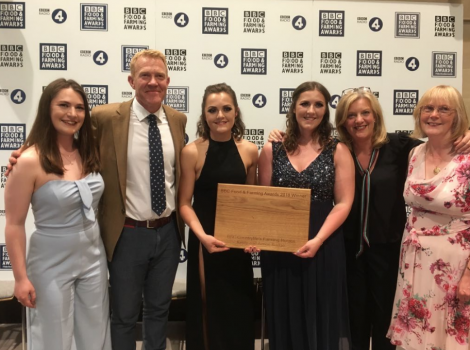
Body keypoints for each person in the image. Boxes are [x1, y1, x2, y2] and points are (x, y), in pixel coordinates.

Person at [4, 78, 111, 350]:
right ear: (47, 108)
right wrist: (20, 278)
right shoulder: (28, 161)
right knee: (53, 336)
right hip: (50, 260)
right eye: (63, 105)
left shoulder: (89, 151)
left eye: (79, 107)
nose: (72, 114)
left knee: (95, 332)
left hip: (93, 258)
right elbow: (14, 224)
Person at [91, 49, 186, 350]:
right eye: (145, 75)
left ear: (168, 81)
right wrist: (26, 153)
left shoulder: (177, 119)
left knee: (159, 312)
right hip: (127, 235)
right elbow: (65, 141)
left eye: (159, 76)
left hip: (168, 233)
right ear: (132, 81)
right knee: (124, 316)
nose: (153, 82)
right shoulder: (105, 117)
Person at [258, 81, 355, 350]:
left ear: (326, 110)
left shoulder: (339, 149)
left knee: (321, 313)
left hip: (323, 244)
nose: (311, 110)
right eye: (304, 103)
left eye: (318, 104)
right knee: (284, 313)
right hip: (280, 247)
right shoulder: (271, 150)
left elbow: (344, 203)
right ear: (293, 108)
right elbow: (263, 203)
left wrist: (318, 240)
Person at [387, 85, 470, 350]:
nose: (433, 115)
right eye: (428, 108)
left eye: (444, 109)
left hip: (455, 268)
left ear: (457, 116)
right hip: (415, 261)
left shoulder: (467, 159)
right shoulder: (415, 153)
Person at [179, 83, 258, 350]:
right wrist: (202, 237)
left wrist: (252, 236)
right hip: (206, 242)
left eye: (226, 108)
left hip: (238, 244)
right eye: (212, 110)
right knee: (207, 309)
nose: (220, 115)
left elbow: (252, 201)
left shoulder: (250, 150)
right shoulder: (192, 151)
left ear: (236, 112)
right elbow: (184, 204)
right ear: (204, 115)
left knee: (239, 310)